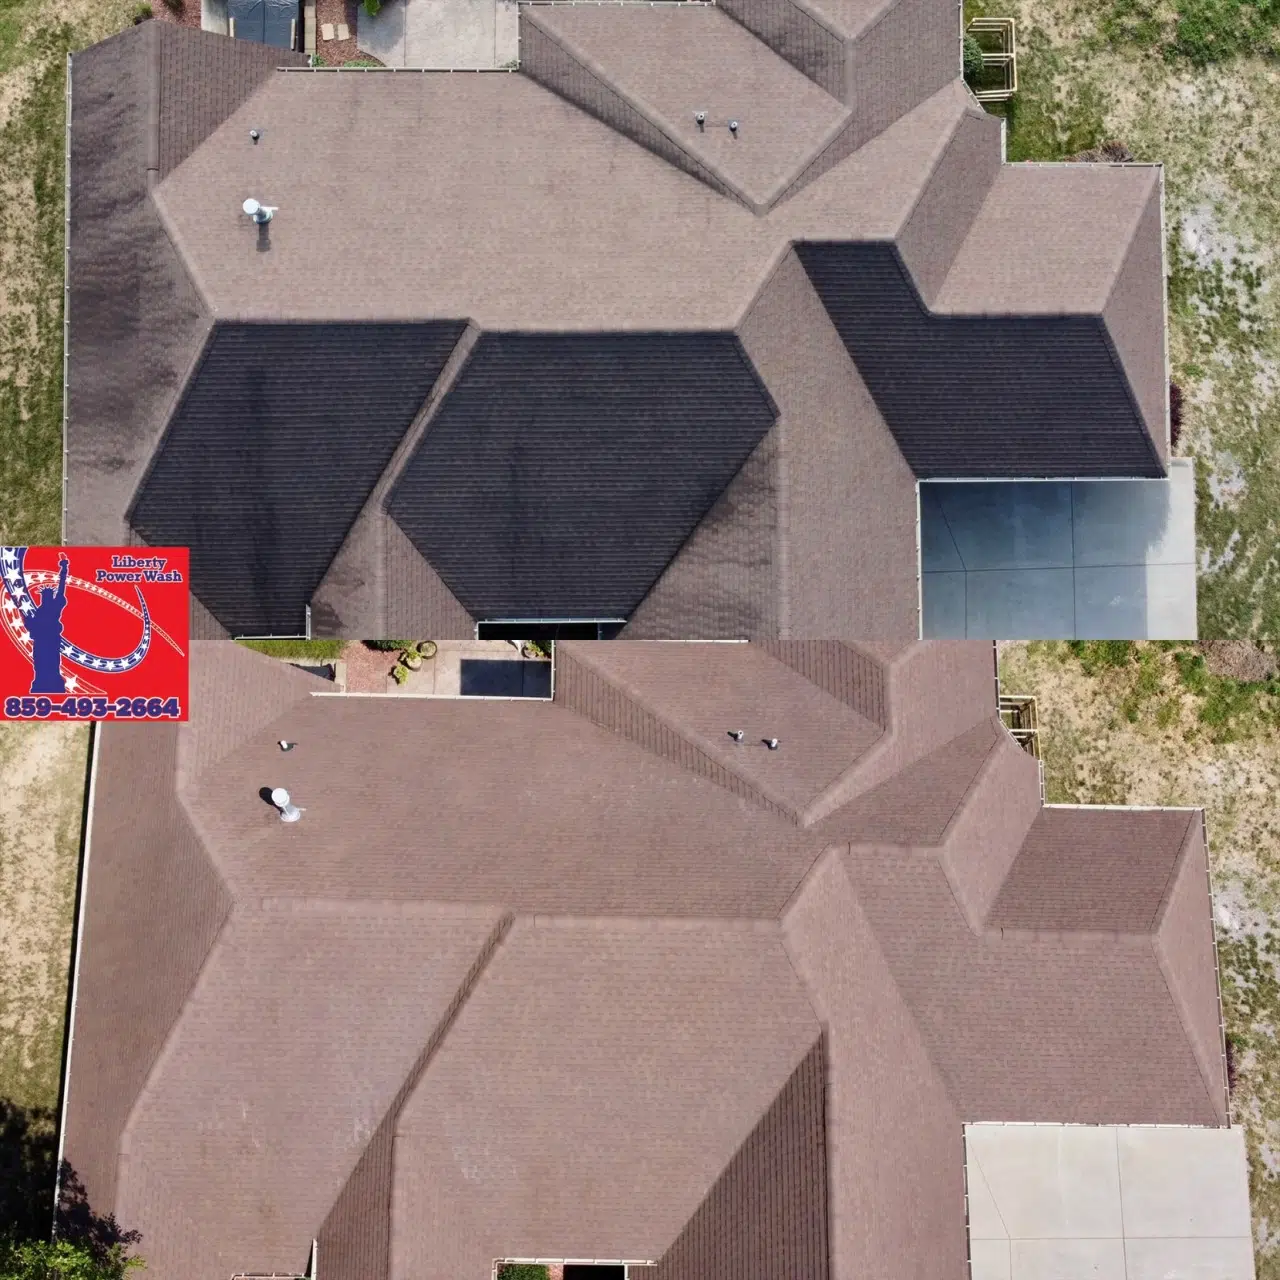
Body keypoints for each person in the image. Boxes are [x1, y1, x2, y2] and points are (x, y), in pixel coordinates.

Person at [28, 555, 69, 695]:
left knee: (52, 662)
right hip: (40, 640)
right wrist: (29, 621)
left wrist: (64, 570)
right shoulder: (39, 610)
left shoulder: (55, 605)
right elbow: (33, 626)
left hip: (51, 639)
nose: (44, 597)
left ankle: (52, 683)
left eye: (47, 595)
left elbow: (62, 588)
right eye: (43, 595)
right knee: (39, 662)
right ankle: (41, 682)